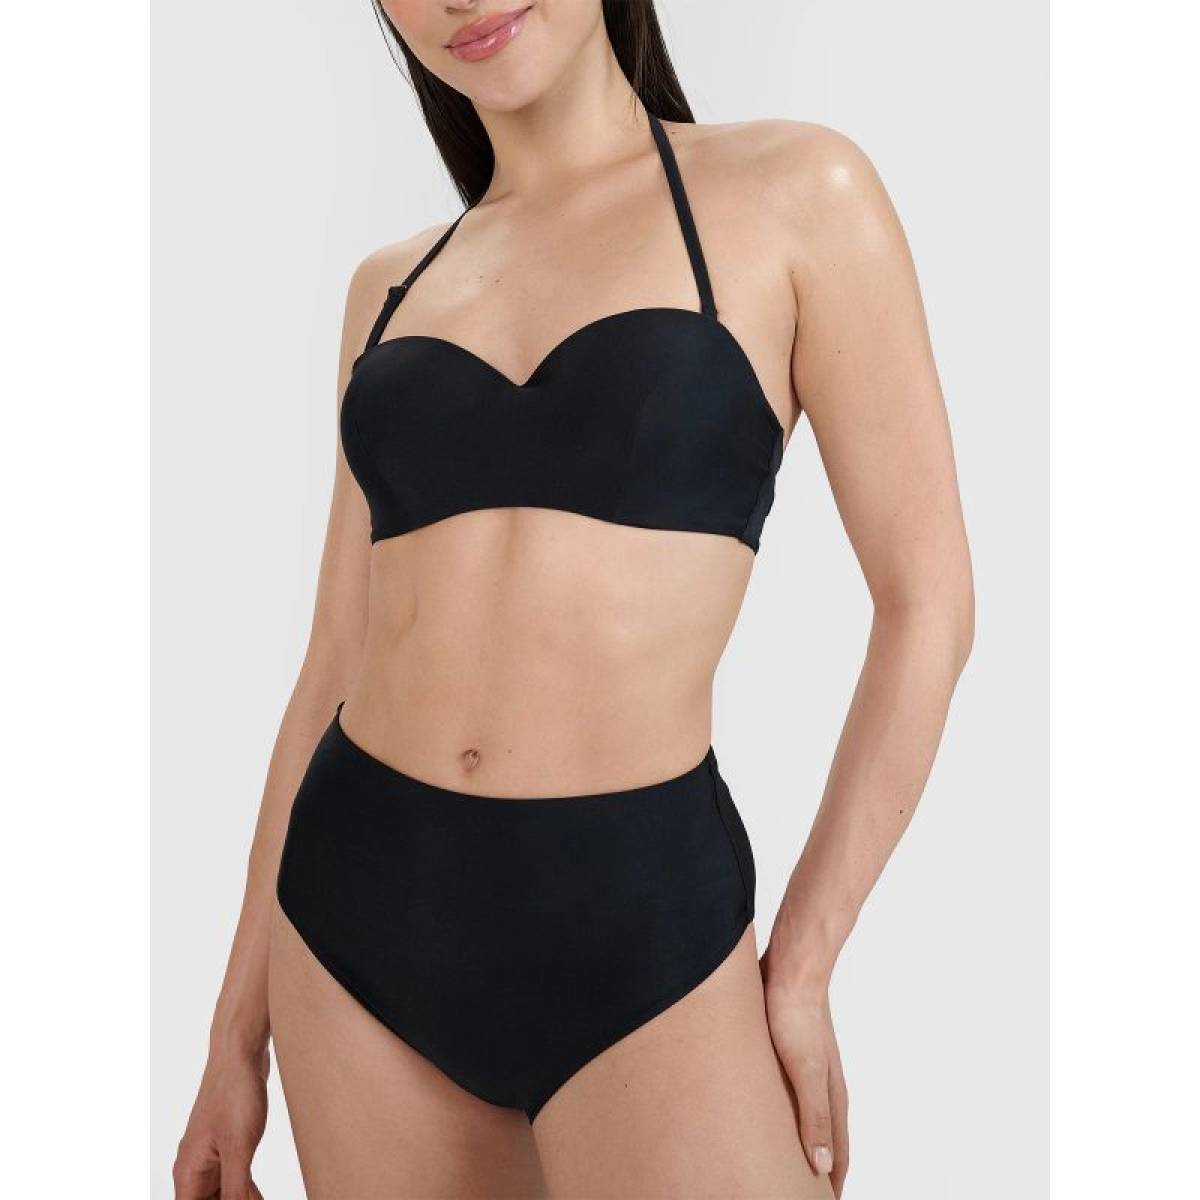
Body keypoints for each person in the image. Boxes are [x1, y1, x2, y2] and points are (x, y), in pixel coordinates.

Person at [173, 2, 975, 1197]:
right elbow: (333, 666)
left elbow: (928, 603)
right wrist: (232, 1039)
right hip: (354, 927)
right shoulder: (388, 290)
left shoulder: (798, 194)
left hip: (642, 933)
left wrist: (804, 961)